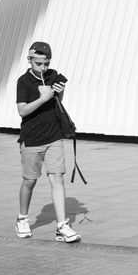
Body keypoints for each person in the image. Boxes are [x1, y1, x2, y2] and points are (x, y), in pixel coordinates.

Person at [14, 41, 81, 242]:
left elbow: (58, 101)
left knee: (57, 177)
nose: (43, 68)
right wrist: (43, 98)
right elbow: (22, 110)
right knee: (29, 181)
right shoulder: (23, 81)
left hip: (54, 136)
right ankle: (22, 218)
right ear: (29, 60)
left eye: (46, 63)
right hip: (32, 138)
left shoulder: (52, 75)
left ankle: (62, 225)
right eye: (38, 63)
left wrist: (59, 90)